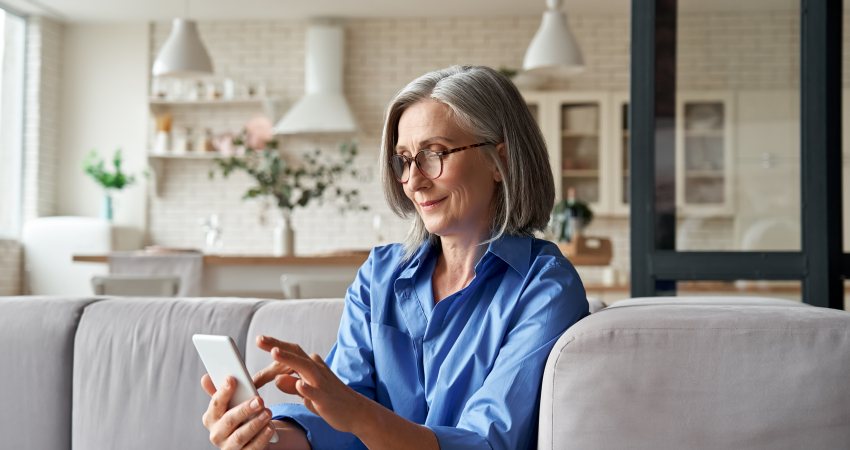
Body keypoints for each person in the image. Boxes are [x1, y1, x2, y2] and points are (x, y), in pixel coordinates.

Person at [200, 65, 589, 450]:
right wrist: (264, 438)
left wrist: (354, 411)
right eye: (404, 159)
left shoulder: (545, 287)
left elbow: (484, 443)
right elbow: (337, 423)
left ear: (497, 160)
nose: (414, 180)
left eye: (435, 154)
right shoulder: (380, 275)